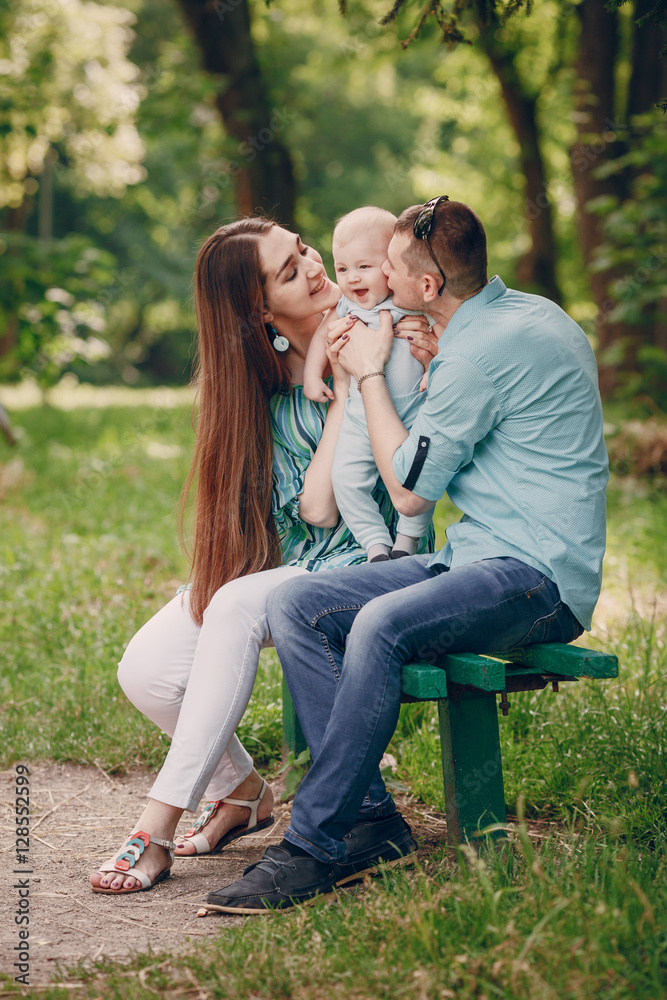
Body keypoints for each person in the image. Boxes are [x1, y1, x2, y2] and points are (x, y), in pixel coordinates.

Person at [201, 197, 609, 914]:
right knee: (296, 603)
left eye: (387, 267)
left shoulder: (476, 355)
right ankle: (369, 822)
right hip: (475, 558)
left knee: (380, 623)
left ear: (426, 285)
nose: (374, 280)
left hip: (537, 578)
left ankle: (314, 844)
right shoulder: (521, 317)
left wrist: (365, 375)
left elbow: (410, 491)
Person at [89, 216, 437, 895]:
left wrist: (358, 382)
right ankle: (243, 790)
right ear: (260, 313)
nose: (315, 266)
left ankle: (152, 831)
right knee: (146, 669)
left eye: (302, 249)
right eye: (289, 270)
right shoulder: (265, 385)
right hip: (302, 564)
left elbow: (334, 507)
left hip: (371, 563)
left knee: (235, 603)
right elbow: (303, 515)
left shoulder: (386, 337)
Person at [303, 206, 434, 562]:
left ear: (391, 265)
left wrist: (432, 367)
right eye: (343, 269)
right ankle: (375, 544)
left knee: (422, 476)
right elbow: (322, 336)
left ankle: (407, 541)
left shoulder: (409, 300)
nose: (352, 279)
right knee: (345, 478)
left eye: (364, 266)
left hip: (414, 411)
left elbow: (441, 336)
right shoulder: (346, 307)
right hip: (360, 415)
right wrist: (313, 376)